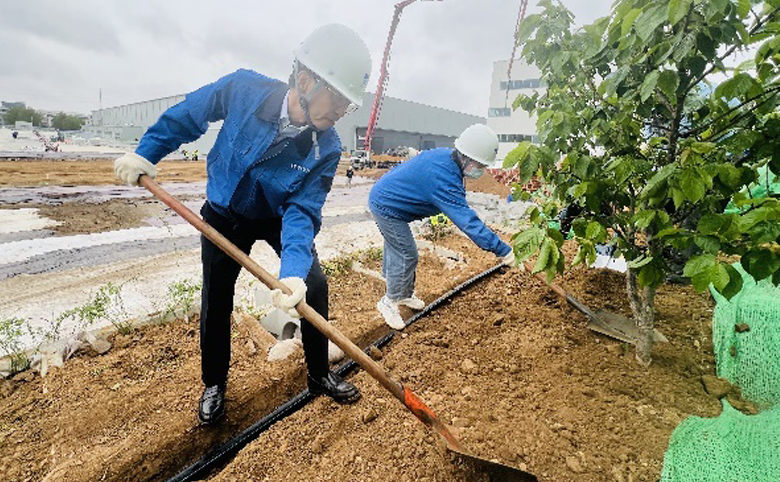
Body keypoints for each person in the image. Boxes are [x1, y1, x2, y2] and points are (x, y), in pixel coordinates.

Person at [113, 24, 372, 424]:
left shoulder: (328, 146)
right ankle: (214, 383)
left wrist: (294, 275)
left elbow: (303, 211)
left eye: (347, 105)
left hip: (276, 216)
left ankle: (319, 374)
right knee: (217, 296)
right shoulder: (243, 89)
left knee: (314, 286)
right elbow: (187, 116)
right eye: (338, 99)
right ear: (305, 81)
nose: (341, 112)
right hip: (224, 214)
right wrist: (147, 153)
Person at [368, 124, 516, 329]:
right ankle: (389, 302)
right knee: (405, 253)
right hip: (387, 207)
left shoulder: (448, 160)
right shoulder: (443, 177)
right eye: (480, 165)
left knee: (400, 250)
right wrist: (503, 250)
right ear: (465, 157)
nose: (481, 171)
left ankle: (404, 295)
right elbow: (467, 221)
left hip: (391, 199)